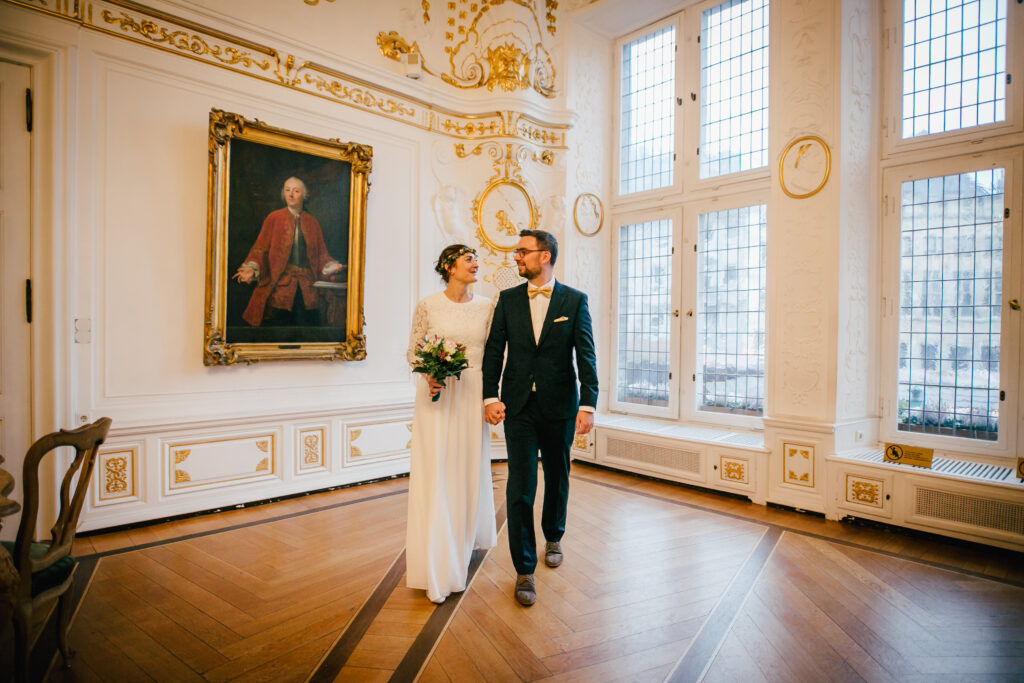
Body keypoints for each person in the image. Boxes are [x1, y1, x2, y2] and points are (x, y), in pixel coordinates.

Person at [482, 229, 598, 607]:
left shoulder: (575, 300)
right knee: (520, 486)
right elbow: (493, 350)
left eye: (522, 252)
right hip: (518, 406)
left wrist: (588, 404)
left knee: (558, 475)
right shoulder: (508, 299)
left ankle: (554, 535)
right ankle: (524, 569)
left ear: (544, 255)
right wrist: (489, 396)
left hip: (561, 405)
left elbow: (586, 356)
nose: (516, 258)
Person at [405, 244, 498, 604]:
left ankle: (462, 537)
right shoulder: (428, 305)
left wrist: (492, 396)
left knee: (466, 466)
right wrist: (430, 373)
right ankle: (437, 552)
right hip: (437, 393)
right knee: (435, 468)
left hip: (472, 393)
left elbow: (494, 353)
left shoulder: (488, 307)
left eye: (476, 259)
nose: (476, 264)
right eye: (468, 259)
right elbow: (413, 349)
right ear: (448, 266)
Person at [233, 176, 344, 326]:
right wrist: (252, 268)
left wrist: (330, 265)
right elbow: (260, 249)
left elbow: (322, 254)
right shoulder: (273, 218)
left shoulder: (312, 222)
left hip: (308, 287)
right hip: (280, 285)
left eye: (296, 191)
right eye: (287, 190)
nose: (291, 194)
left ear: (304, 196)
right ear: (283, 194)